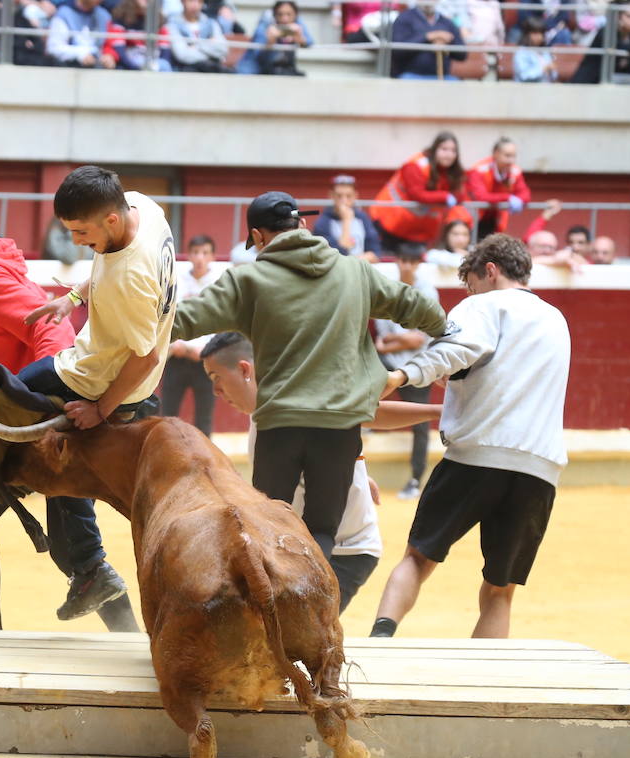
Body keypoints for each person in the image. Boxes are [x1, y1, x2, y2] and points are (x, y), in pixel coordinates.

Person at [0, 166, 176, 623]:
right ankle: (102, 599)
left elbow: (70, 333)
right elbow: (84, 284)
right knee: (72, 539)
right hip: (97, 371)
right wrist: (75, 297)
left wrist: (82, 407)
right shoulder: (141, 208)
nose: (79, 242)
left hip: (90, 379)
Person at [170, 190, 447, 578]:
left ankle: (271, 615)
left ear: (259, 236)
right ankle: (311, 615)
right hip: (339, 426)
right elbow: (425, 311)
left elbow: (181, 320)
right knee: (320, 533)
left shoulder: (248, 278)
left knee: (267, 528)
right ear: (302, 224)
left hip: (279, 424)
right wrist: (447, 345)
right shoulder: (355, 272)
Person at [372, 233, 569, 639]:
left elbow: (455, 350)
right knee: (500, 591)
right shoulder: (556, 319)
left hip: (476, 457)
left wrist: (401, 375)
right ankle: (486, 686)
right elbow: (501, 375)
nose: (470, 292)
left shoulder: (484, 303)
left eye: (472, 282)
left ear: (490, 272)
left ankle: (380, 641)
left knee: (418, 559)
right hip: (539, 466)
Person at [201, 332, 446, 612]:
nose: (215, 391)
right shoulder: (267, 410)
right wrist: (354, 472)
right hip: (297, 549)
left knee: (291, 632)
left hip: (344, 551)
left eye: (215, 377)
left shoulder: (298, 400)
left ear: (245, 369)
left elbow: (368, 412)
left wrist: (438, 411)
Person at [375, 242, 436, 500]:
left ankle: (415, 479)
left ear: (418, 264)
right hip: (391, 361)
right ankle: (364, 415)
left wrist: (395, 342)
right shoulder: (388, 290)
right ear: (398, 261)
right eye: (403, 261)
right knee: (359, 396)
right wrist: (401, 341)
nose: (407, 266)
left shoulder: (427, 291)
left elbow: (418, 340)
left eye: (412, 262)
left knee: (421, 424)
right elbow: (381, 341)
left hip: (419, 364)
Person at [371, 131, 471, 253]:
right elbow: (417, 194)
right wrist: (445, 196)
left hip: (418, 232)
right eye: (444, 149)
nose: (449, 154)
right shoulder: (415, 165)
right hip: (389, 222)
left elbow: (460, 194)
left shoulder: (452, 172)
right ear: (435, 149)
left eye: (453, 151)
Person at [161, 235, 222, 435]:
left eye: (205, 253)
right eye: (195, 252)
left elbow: (222, 322)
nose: (199, 258)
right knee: (167, 415)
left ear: (212, 256)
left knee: (204, 418)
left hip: (206, 359)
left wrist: (208, 350)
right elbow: (167, 316)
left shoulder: (220, 284)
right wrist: (176, 345)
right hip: (176, 357)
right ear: (188, 255)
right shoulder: (175, 280)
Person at [571, 3, 630, 84]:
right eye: (629, 16)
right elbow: (619, 46)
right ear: (618, 18)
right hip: (589, 84)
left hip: (616, 85)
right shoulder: (606, 33)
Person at [466, 137, 530, 239]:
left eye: (514, 156)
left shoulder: (514, 170)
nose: (511, 160)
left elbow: (525, 194)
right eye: (507, 156)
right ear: (496, 153)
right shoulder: (479, 170)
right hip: (473, 220)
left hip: (495, 220)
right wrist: (508, 198)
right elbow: (481, 197)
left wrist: (519, 199)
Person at [311, 174, 383, 262]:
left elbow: (375, 251)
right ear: (331, 196)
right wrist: (346, 221)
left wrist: (356, 260)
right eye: (339, 196)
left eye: (348, 196)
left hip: (361, 270)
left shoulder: (362, 218)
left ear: (355, 196)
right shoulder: (323, 222)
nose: (344, 201)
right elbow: (336, 255)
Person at [389, 0, 465, 79]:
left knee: (455, 84)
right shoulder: (404, 19)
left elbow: (462, 56)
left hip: (442, 77)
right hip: (410, 75)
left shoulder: (446, 22)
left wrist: (448, 42)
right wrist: (427, 37)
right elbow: (397, 51)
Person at [47, 0, 115, 68]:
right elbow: (54, 48)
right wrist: (80, 54)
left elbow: (109, 45)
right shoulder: (64, 13)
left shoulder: (103, 15)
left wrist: (110, 56)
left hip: (98, 71)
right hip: (70, 70)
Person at [254, 0, 308, 75]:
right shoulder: (266, 29)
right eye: (280, 14)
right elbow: (259, 59)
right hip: (269, 72)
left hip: (290, 71)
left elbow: (308, 45)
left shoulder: (297, 28)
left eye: (289, 14)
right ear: (274, 16)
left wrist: (299, 38)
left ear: (295, 15)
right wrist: (271, 41)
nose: (284, 19)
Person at [513, 17, 558, 82]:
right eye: (535, 33)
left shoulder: (545, 52)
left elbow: (554, 75)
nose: (539, 37)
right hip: (526, 90)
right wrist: (543, 69)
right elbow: (524, 76)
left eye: (541, 33)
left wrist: (552, 70)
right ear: (527, 34)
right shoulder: (521, 52)